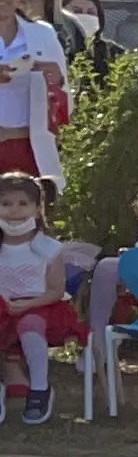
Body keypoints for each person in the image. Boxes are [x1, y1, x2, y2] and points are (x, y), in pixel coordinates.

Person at [0, 170, 90, 424]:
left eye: (22, 204)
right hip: (3, 306)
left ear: (37, 209)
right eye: (6, 204)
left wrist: (25, 305)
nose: (14, 211)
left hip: (40, 306)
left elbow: (55, 290)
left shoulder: (49, 249)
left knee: (30, 325)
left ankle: (39, 389)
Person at [0, 0, 64, 190]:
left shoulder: (42, 34)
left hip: (31, 151)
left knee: (29, 210)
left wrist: (55, 81)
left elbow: (66, 106)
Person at [55, 0, 123, 73]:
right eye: (77, 11)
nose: (84, 16)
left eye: (91, 12)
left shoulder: (113, 52)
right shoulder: (57, 49)